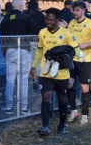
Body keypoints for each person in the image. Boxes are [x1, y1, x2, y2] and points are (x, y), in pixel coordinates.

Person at [30, 7, 79, 136]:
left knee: (62, 98)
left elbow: (75, 49)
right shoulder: (42, 32)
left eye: (51, 19)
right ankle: (45, 126)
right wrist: (34, 66)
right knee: (46, 96)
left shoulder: (66, 33)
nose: (48, 21)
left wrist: (73, 72)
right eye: (47, 19)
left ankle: (62, 124)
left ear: (58, 20)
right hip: (45, 72)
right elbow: (40, 50)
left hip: (61, 73)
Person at [0, 0, 43, 114]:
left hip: (9, 50)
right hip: (24, 50)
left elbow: (2, 39)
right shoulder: (25, 18)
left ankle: (9, 106)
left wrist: (5, 51)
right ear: (21, 7)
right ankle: (23, 107)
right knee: (23, 80)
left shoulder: (4, 20)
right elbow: (37, 30)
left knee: (10, 80)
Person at [67, 0, 91, 125]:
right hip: (72, 59)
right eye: (74, 10)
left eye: (77, 10)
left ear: (83, 11)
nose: (75, 12)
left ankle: (85, 114)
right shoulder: (71, 23)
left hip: (86, 60)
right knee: (69, 84)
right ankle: (73, 110)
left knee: (84, 88)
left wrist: (85, 45)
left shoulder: (90, 23)